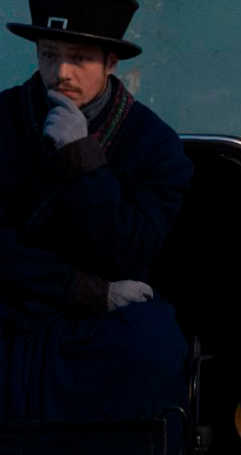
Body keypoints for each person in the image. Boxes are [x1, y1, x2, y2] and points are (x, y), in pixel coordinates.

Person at [0, 0, 193, 423]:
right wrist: (84, 289)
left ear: (110, 62)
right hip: (15, 306)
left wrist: (82, 159)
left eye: (79, 58)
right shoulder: (5, 119)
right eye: (49, 54)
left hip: (99, 329)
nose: (62, 72)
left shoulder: (155, 146)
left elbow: (133, 254)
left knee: (153, 344)